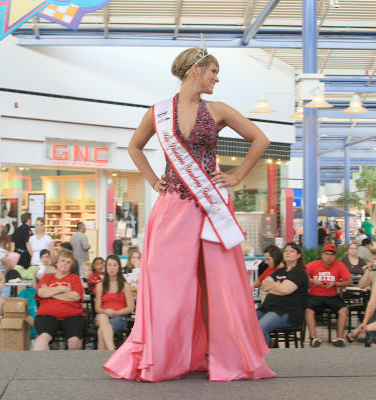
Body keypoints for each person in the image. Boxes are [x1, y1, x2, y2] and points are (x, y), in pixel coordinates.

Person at [104, 46, 275, 381]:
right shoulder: (158, 112)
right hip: (173, 207)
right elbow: (135, 146)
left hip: (211, 206)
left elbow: (261, 139)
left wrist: (238, 176)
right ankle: (166, 355)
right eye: (213, 71)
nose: (217, 78)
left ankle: (220, 353)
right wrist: (153, 179)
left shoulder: (219, 109)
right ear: (195, 70)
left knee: (217, 283)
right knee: (169, 283)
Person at [32, 249, 87, 351]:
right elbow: (41, 293)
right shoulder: (47, 278)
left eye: (68, 262)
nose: (65, 264)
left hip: (72, 316)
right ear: (56, 262)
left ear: (71, 265)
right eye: (63, 260)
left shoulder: (75, 278)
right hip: (47, 315)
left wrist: (51, 293)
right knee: (42, 339)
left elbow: (75, 296)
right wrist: (62, 289)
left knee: (74, 342)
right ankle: (38, 365)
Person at [256, 242, 309, 346]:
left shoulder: (299, 272)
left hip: (287, 312)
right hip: (267, 308)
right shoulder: (281, 271)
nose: (288, 253)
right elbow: (264, 284)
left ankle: (265, 358)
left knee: (260, 327)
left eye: (292, 251)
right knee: (244, 322)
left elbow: (285, 290)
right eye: (286, 251)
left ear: (298, 255)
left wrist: (274, 286)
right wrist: (279, 286)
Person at [305, 244, 353, 347]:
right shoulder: (313, 265)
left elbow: (349, 282)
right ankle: (313, 338)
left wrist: (336, 284)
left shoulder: (339, 265)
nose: (329, 257)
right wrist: (312, 281)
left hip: (332, 296)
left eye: (332, 255)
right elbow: (301, 277)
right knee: (308, 310)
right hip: (315, 295)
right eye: (326, 254)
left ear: (335, 256)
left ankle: (339, 338)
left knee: (344, 310)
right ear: (322, 255)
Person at [95, 255, 135, 350]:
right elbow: (97, 308)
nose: (112, 268)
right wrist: (106, 312)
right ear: (106, 267)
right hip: (103, 315)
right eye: (109, 265)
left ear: (119, 267)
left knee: (101, 332)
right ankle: (112, 351)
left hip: (120, 317)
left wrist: (115, 313)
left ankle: (104, 359)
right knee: (102, 316)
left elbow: (131, 308)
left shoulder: (125, 286)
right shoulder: (100, 286)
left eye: (114, 265)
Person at [0, 231, 15, 297]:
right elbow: (9, 265)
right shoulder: (3, 252)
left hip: (0, 275)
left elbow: (8, 264)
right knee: (4, 296)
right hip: (2, 275)